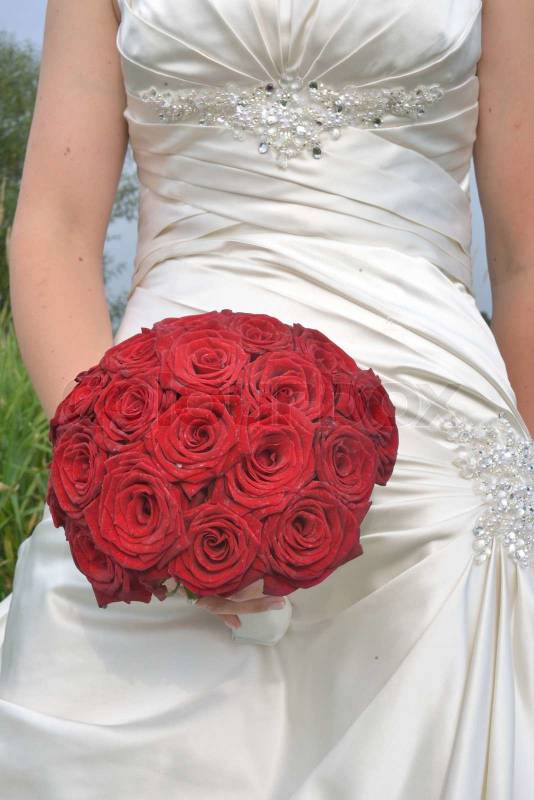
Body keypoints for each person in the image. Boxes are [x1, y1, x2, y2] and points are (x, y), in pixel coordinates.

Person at [1, 0, 533, 797]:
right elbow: (56, 227)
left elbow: (524, 259)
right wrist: (112, 467)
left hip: (441, 462)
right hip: (155, 451)